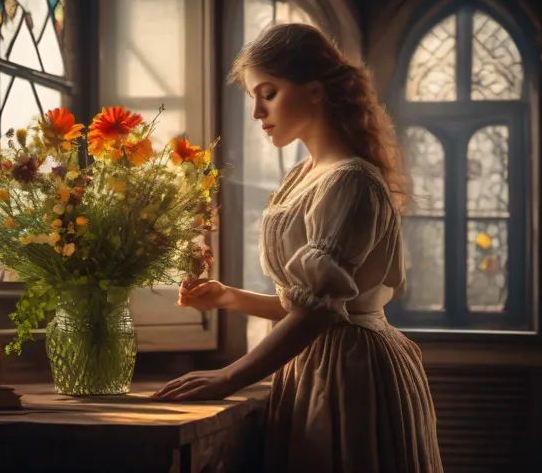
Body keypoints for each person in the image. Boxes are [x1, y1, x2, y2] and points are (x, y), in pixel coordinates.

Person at [152, 23, 444, 472]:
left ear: (314, 91)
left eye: (267, 93)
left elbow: (323, 312)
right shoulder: (303, 176)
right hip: (316, 366)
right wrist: (230, 296)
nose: (256, 111)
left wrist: (229, 376)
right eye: (253, 96)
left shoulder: (350, 180)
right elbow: (310, 304)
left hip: (350, 376)